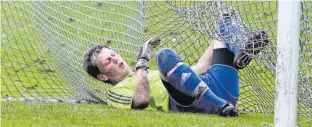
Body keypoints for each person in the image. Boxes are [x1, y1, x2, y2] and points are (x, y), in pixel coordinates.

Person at [83, 14, 269, 117]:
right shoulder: (115, 93)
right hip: (189, 102)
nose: (115, 58)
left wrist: (222, 37)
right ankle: (221, 106)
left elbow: (200, 67)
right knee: (165, 55)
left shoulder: (154, 74)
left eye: (113, 54)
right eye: (108, 61)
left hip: (217, 88)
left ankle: (243, 48)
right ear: (102, 76)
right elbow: (140, 102)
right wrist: (142, 63)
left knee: (226, 23)